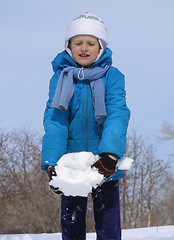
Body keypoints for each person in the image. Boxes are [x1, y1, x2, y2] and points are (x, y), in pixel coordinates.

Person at [41, 12, 130, 240]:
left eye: (91, 43)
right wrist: (53, 163)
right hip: (72, 164)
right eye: (77, 42)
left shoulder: (113, 77)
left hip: (104, 163)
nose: (84, 47)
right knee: (71, 226)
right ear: (69, 46)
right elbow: (56, 120)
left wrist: (110, 154)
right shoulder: (61, 78)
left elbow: (117, 115)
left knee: (108, 226)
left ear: (100, 47)